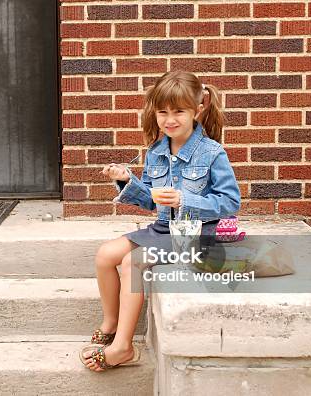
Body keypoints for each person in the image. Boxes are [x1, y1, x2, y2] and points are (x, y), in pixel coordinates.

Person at [79, 71, 241, 371]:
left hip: (194, 234)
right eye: (162, 112)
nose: (169, 120)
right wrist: (128, 180)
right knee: (105, 255)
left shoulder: (212, 153)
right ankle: (111, 321)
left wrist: (185, 200)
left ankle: (123, 348)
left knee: (132, 263)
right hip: (163, 229)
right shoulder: (157, 150)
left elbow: (231, 203)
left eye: (178, 111)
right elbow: (153, 201)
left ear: (198, 109)